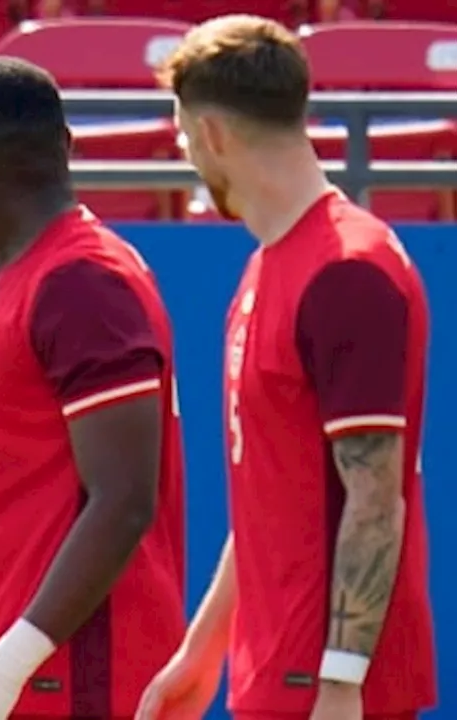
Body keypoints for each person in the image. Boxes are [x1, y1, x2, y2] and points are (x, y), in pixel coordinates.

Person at [137, 15, 436, 720]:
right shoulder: (270, 265)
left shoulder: (347, 271)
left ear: (210, 133)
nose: (185, 153)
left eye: (183, 135)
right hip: (277, 674)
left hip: (329, 692)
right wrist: (204, 647)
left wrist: (340, 681)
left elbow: (374, 498)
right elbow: (278, 488)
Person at [0, 57, 187, 720]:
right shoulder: (49, 272)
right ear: (66, 148)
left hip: (78, 676)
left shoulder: (79, 282)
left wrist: (5, 670)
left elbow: (124, 499)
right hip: (51, 672)